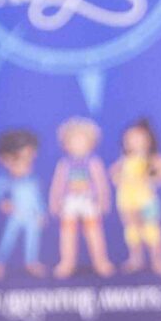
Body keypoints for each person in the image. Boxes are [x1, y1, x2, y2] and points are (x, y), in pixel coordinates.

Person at [48, 115, 113, 280]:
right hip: (70, 202)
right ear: (66, 144)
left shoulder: (93, 162)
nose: (78, 145)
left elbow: (100, 183)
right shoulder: (64, 164)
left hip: (88, 201)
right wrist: (54, 201)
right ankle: (67, 262)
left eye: (82, 140)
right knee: (68, 232)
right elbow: (58, 184)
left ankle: (100, 261)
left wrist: (103, 199)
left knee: (94, 231)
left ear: (91, 143)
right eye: (73, 141)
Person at [111, 116, 161, 277]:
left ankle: (158, 261)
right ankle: (135, 259)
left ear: (148, 140)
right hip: (127, 200)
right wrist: (120, 179)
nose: (134, 142)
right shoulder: (125, 159)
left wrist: (151, 179)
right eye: (130, 139)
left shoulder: (151, 158)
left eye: (138, 138)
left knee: (151, 229)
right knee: (132, 229)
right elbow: (113, 174)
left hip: (146, 200)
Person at [0, 128, 46, 281]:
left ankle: (31, 262)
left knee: (33, 239)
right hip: (16, 215)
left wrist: (41, 213)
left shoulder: (33, 180)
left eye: (30, 159)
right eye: (22, 159)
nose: (27, 164)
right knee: (8, 239)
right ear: (6, 160)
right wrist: (2, 202)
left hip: (31, 216)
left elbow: (37, 199)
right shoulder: (6, 180)